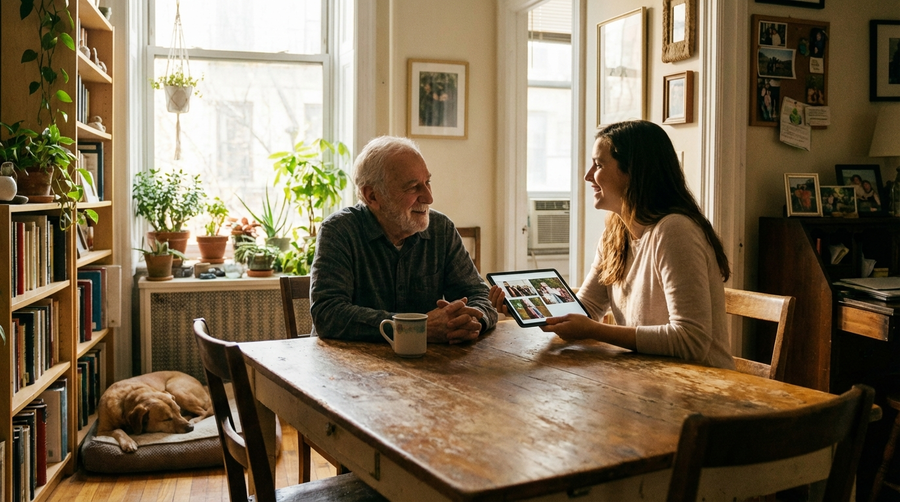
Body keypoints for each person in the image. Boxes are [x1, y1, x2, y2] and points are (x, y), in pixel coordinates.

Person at [490, 120, 734, 369]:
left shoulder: (674, 230)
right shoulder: (615, 232)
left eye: (598, 164)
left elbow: (692, 342)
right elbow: (586, 310)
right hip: (648, 379)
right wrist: (530, 310)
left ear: (633, 171)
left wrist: (597, 331)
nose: (588, 176)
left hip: (702, 389)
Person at [310, 135, 497, 343]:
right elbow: (328, 314)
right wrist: (415, 328)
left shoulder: (441, 229)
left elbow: (479, 296)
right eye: (413, 187)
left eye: (428, 182)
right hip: (348, 369)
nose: (429, 198)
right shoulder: (339, 231)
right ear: (372, 196)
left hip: (427, 366)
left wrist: (470, 321)